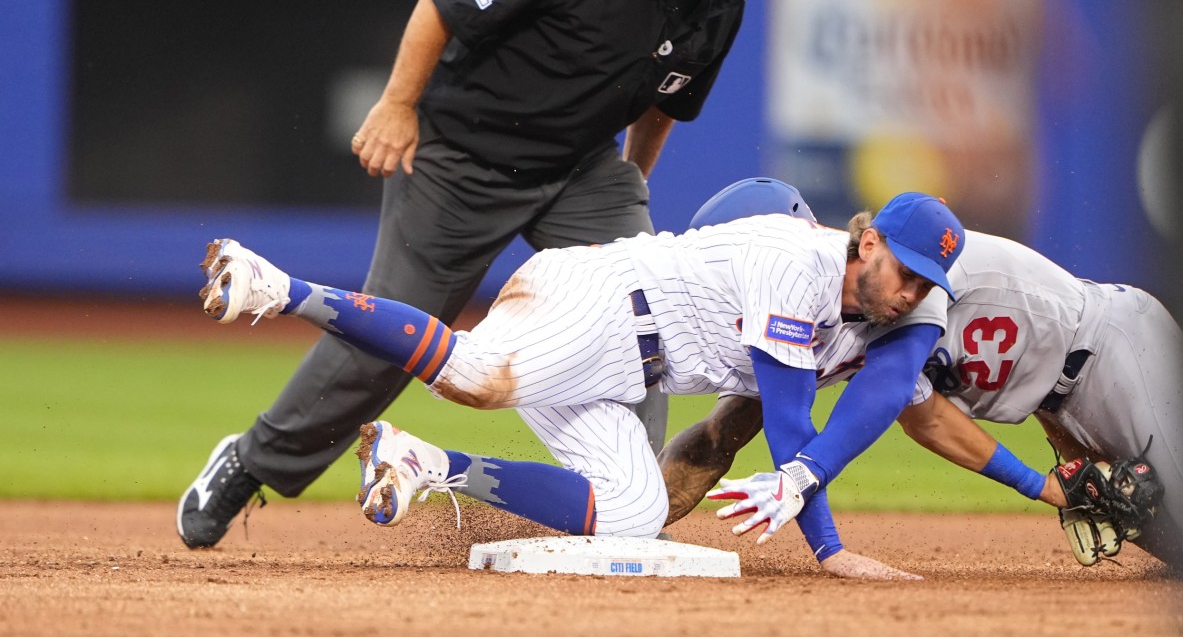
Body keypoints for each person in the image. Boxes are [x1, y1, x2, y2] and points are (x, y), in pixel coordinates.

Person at [176, 0, 769, 548]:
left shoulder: (720, 1)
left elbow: (664, 101)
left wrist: (633, 176)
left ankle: (624, 504)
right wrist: (399, 105)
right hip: (462, 158)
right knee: (394, 338)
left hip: (578, 169)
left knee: (645, 310)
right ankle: (251, 462)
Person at [193, 191, 965, 551]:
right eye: (907, 270)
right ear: (867, 243)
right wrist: (830, 552)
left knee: (634, 514)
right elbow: (793, 425)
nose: (912, 292)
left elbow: (801, 413)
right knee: (473, 373)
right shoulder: (800, 261)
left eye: (928, 285)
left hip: (623, 369)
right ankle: (278, 286)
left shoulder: (862, 315)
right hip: (598, 305)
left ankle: (423, 462)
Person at [661, 178, 1183, 577]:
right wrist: (640, 518)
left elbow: (893, 391)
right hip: (1054, 403)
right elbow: (725, 432)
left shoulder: (904, 268)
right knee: (1177, 552)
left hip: (1112, 348)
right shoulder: (822, 310)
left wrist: (1039, 487)